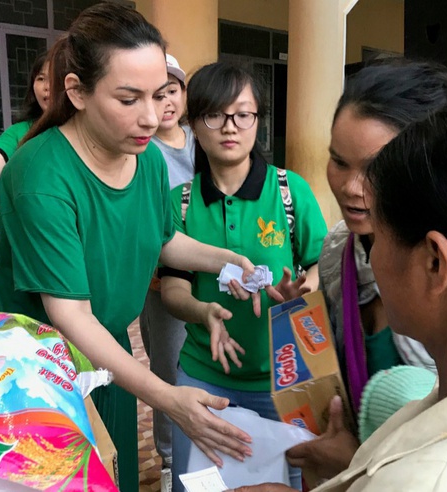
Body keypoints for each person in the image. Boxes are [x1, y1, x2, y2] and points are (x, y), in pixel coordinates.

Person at [0, 5, 271, 491]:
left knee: (115, 478)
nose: (152, 117)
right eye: (129, 98)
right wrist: (168, 397)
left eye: (159, 96)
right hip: (35, 372)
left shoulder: (147, 161)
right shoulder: (41, 176)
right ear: (76, 91)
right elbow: (70, 315)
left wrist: (227, 261)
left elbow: (164, 240)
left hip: (106, 356)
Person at [233, 97, 447, 491]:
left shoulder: (433, 477)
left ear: (435, 263)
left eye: (380, 235)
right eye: (339, 161)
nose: (372, 254)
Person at [287, 61, 447, 481]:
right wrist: (302, 320)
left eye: (376, 168)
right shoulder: (336, 252)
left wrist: (355, 467)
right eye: (338, 161)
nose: (351, 187)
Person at [159, 61, 327, 490]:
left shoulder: (290, 192)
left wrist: (300, 292)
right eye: (215, 115)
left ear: (258, 121)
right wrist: (203, 311)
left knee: (287, 483)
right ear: (194, 123)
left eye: (243, 114)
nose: (229, 127)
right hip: (202, 378)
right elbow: (174, 290)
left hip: (284, 379)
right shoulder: (179, 203)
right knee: (197, 484)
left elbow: (321, 266)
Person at [138, 52, 194, 488]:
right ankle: (171, 455)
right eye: (155, 96)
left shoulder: (202, 140)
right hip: (161, 279)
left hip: (208, 273)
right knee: (167, 367)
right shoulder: (142, 148)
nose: (165, 103)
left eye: (171, 91)